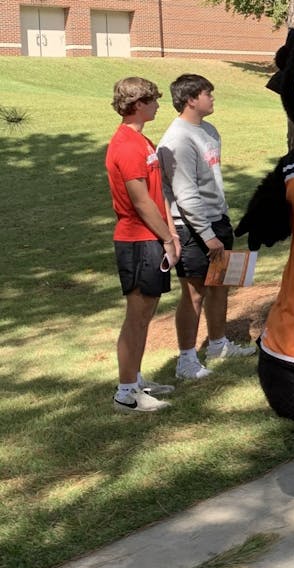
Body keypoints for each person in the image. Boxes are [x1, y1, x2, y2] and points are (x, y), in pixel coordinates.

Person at [157, 74, 255, 381]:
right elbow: (185, 194)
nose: (213, 98)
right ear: (190, 100)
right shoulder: (177, 140)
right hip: (192, 227)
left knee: (221, 285)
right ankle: (186, 359)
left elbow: (211, 181)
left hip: (218, 219)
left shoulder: (209, 131)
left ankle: (218, 345)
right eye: (207, 94)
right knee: (194, 293)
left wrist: (220, 223)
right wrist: (207, 236)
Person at [105, 77, 179, 412]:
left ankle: (135, 380)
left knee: (145, 314)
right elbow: (141, 202)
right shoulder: (127, 145)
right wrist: (167, 237)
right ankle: (125, 394)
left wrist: (170, 234)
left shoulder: (142, 140)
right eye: (153, 100)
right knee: (136, 316)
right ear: (138, 104)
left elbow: (156, 192)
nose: (159, 105)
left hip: (151, 237)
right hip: (137, 240)